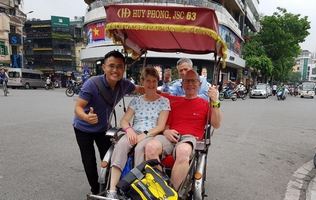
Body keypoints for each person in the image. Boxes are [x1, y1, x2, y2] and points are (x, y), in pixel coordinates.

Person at [73, 50, 142, 195]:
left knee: (111, 157)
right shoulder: (92, 84)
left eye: (119, 66)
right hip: (83, 128)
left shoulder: (124, 85)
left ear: (123, 69)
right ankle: (95, 190)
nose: (115, 70)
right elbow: (78, 108)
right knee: (89, 161)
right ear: (104, 67)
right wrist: (86, 117)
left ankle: (110, 188)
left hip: (103, 129)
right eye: (111, 66)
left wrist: (163, 94)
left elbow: (141, 89)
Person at [145, 69, 222, 191]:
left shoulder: (205, 104)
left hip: (189, 138)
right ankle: (160, 188)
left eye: (193, 81)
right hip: (170, 135)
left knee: (183, 151)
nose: (190, 84)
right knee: (150, 147)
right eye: (187, 81)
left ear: (199, 84)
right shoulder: (173, 101)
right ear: (182, 84)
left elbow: (216, 124)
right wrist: (166, 131)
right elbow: (165, 121)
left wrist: (216, 101)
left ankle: (172, 193)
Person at [106, 67, 170, 200]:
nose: (151, 84)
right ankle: (111, 191)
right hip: (134, 131)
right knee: (121, 145)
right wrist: (129, 130)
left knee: (141, 148)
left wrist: (144, 135)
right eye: (148, 81)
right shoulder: (136, 100)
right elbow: (124, 120)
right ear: (142, 81)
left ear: (157, 82)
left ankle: (135, 190)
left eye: (154, 81)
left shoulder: (164, 101)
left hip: (152, 133)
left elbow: (161, 126)